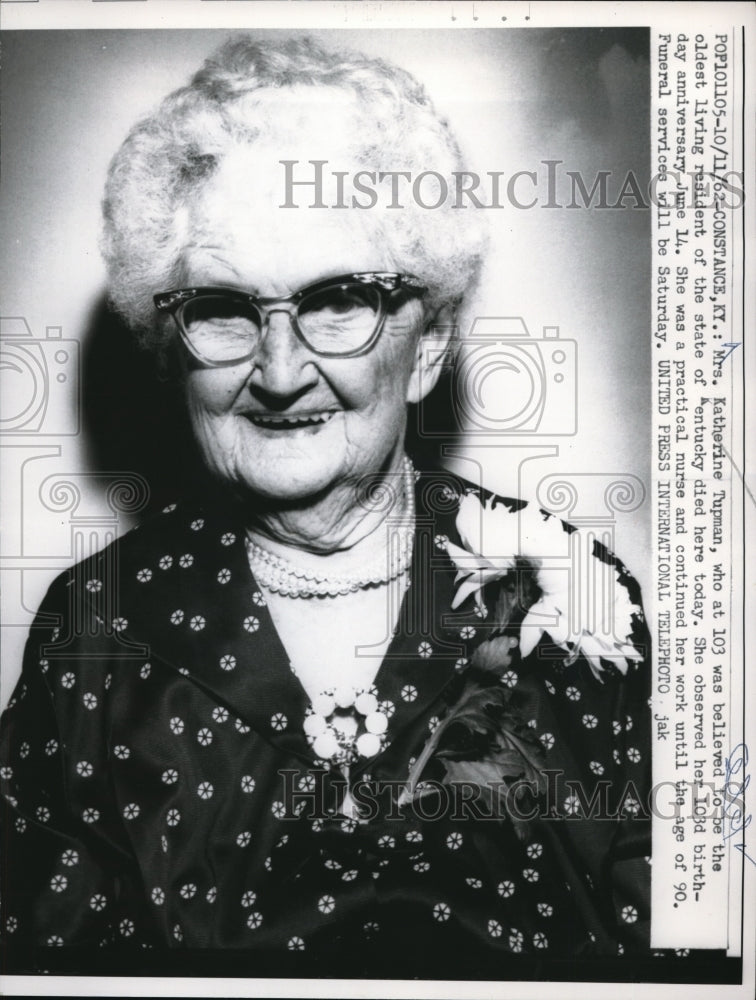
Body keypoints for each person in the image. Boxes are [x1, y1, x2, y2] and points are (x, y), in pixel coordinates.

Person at [0, 35, 650, 977]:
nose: (279, 369)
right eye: (224, 307)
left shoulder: (571, 598)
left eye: (336, 300)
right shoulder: (97, 625)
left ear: (426, 344)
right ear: (170, 344)